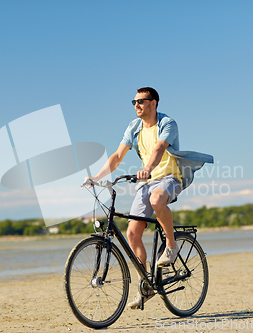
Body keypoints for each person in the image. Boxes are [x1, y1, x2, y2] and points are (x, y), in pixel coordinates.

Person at [86, 87, 213, 309]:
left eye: (141, 101)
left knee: (157, 200)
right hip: (146, 182)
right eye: (134, 101)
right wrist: (96, 177)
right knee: (132, 234)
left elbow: (159, 149)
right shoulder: (134, 127)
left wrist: (147, 168)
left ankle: (171, 246)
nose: (136, 105)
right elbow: (117, 156)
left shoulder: (168, 124)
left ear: (153, 103)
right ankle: (144, 283)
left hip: (170, 178)